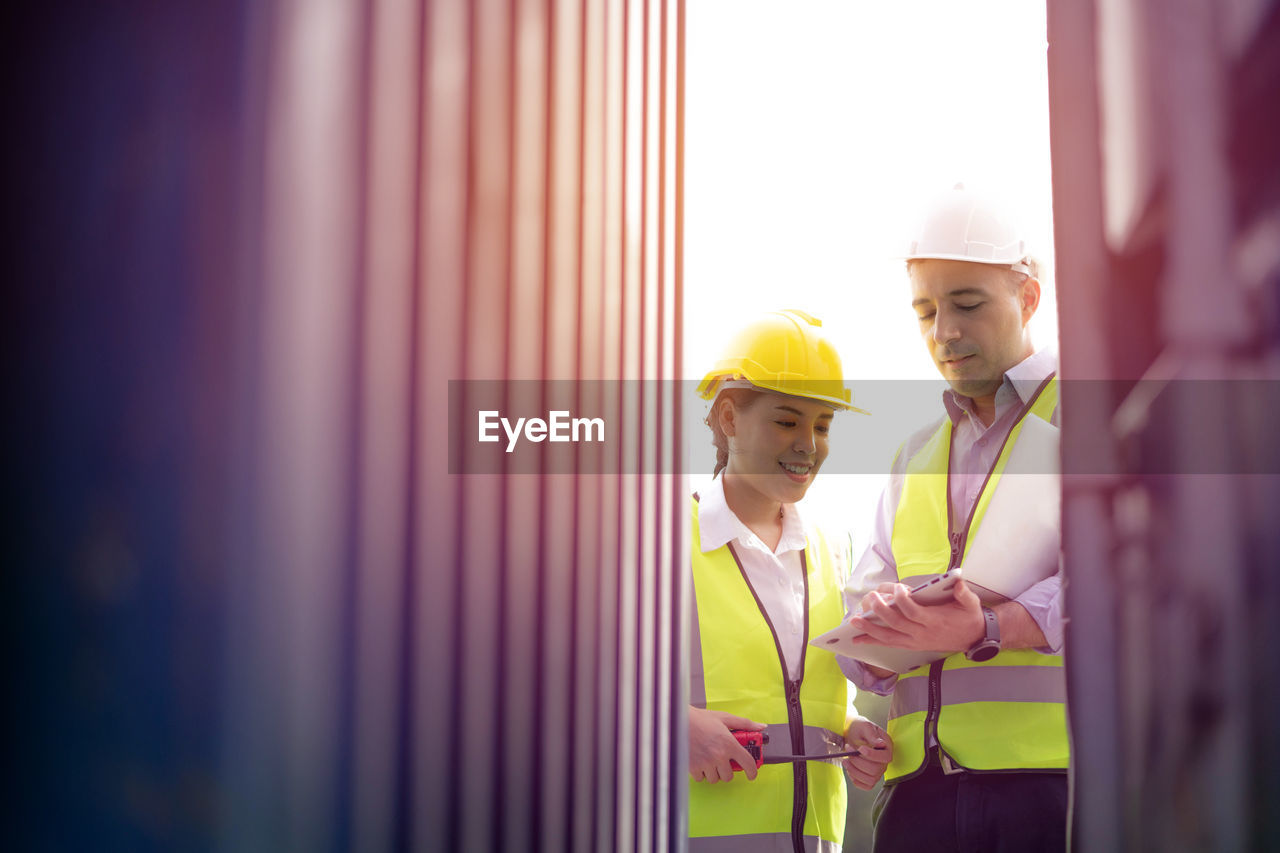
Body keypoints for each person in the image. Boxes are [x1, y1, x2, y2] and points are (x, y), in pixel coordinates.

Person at [839, 186, 1069, 852]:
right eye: (926, 310)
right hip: (921, 795)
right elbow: (863, 607)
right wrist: (879, 624)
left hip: (1052, 787)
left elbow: (1120, 583)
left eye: (967, 304)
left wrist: (991, 624)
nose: (944, 331)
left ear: (1026, 298)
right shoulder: (913, 452)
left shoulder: (1089, 418)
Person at [687, 309, 893, 853]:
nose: (809, 444)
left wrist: (848, 729)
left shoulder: (834, 549)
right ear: (729, 419)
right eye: (786, 421)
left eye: (822, 425)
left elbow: (799, 693)